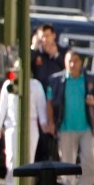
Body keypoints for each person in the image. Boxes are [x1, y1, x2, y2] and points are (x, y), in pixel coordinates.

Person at [46, 51, 94, 185]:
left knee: (89, 158)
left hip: (86, 127)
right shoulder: (56, 80)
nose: (72, 64)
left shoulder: (91, 80)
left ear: (81, 62)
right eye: (69, 61)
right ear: (65, 62)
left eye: (75, 61)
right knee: (67, 160)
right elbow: (50, 102)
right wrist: (50, 121)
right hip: (65, 127)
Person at [0, 60, 50, 185]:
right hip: (12, 126)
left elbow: (41, 106)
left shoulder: (35, 85)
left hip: (31, 126)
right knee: (11, 159)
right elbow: (2, 106)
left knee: (28, 159)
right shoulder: (8, 85)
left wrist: (44, 123)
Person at [31, 24, 66, 161]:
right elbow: (24, 66)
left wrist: (55, 55)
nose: (44, 40)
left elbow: (70, 67)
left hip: (58, 101)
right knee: (42, 138)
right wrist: (33, 48)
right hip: (40, 101)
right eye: (42, 37)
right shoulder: (36, 54)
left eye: (47, 36)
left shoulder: (62, 52)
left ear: (54, 36)